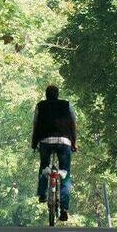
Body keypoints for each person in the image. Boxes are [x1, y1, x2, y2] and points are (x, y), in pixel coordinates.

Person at [31, 85, 77, 221]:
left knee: (44, 165)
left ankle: (42, 194)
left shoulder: (40, 106)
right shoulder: (67, 105)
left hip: (45, 140)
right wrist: (74, 142)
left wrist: (34, 143)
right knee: (65, 174)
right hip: (64, 141)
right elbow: (74, 124)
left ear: (46, 95)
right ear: (58, 94)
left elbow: (35, 125)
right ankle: (64, 208)